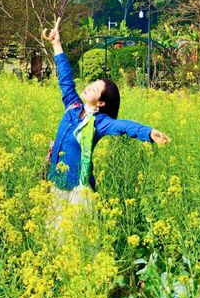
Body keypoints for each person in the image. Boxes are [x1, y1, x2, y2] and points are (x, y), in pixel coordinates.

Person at [42, 17, 170, 197]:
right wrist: (56, 45)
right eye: (92, 83)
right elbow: (65, 78)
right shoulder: (73, 106)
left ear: (101, 103)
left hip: (76, 189)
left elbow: (124, 126)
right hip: (55, 180)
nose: (88, 87)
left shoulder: (99, 122)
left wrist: (148, 132)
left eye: (94, 88)